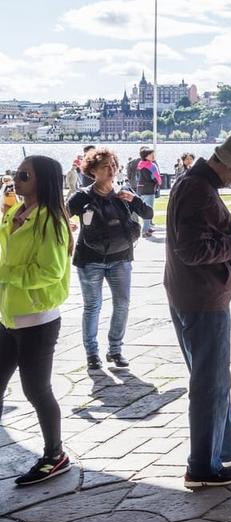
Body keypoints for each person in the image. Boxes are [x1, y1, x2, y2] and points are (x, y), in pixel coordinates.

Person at [164, 133, 231, 487]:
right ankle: (203, 467)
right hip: (202, 298)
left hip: (191, 294)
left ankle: (229, 445)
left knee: (212, 379)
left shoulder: (191, 184)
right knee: (210, 383)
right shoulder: (198, 190)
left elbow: (196, 241)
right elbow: (193, 251)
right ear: (224, 163)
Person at [0, 155, 73, 486]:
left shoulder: (52, 221)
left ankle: (55, 455)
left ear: (42, 180)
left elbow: (50, 272)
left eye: (25, 174)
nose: (17, 177)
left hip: (37, 320)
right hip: (8, 316)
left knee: (36, 390)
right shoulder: (16, 212)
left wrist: (5, 274)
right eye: (17, 172)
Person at [67, 147, 153, 371]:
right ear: (93, 170)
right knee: (92, 306)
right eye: (106, 166)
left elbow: (148, 214)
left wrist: (134, 200)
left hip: (121, 257)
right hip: (90, 259)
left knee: (122, 304)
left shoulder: (123, 193)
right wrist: (69, 225)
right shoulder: (82, 197)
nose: (111, 170)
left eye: (114, 165)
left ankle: (115, 349)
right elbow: (60, 216)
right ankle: (92, 353)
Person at [135, 147, 161, 238]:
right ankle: (145, 231)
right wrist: (158, 182)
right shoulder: (151, 165)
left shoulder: (140, 164)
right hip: (149, 189)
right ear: (146, 156)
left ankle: (148, 227)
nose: (153, 156)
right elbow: (156, 177)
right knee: (148, 210)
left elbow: (137, 177)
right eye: (151, 154)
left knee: (144, 208)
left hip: (141, 189)